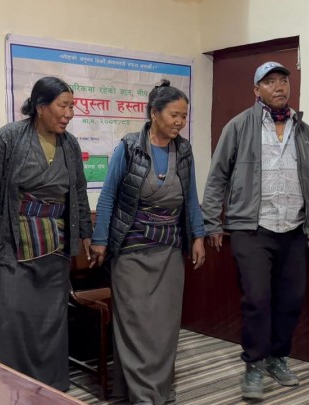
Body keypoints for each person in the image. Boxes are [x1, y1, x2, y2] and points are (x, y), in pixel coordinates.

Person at [202, 61, 309, 399]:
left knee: (291, 299)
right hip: (252, 228)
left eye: (283, 80)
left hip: (294, 228)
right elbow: (217, 176)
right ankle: (254, 364)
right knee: (257, 299)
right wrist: (212, 221)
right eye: (269, 82)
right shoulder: (239, 126)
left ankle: (277, 358)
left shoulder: (303, 130)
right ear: (256, 90)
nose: (279, 86)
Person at [0, 76, 93, 391]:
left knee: (49, 325)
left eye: (72, 107)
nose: (69, 114)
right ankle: (5, 390)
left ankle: (48, 389)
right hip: (12, 248)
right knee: (9, 321)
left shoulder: (70, 145)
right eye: (63, 106)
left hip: (55, 249)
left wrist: (86, 235)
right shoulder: (8, 138)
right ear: (40, 107)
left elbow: (78, 193)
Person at [89, 80, 206, 404]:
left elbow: (191, 198)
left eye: (184, 116)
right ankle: (143, 394)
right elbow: (108, 196)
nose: (180, 122)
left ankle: (159, 388)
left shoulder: (184, 151)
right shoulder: (128, 147)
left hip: (170, 248)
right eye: (174, 115)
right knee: (135, 325)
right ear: (154, 113)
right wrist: (100, 240)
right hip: (131, 249)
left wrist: (198, 236)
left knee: (164, 326)